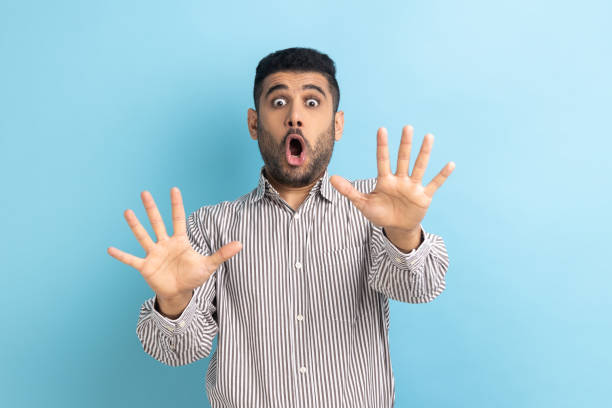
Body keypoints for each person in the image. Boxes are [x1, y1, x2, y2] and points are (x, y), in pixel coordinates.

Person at [107, 47, 455, 408]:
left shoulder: (374, 208)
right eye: (278, 103)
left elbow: (421, 288)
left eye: (312, 102)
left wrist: (402, 234)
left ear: (337, 124)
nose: (294, 117)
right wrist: (174, 302)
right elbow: (178, 351)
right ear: (254, 123)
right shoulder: (211, 227)